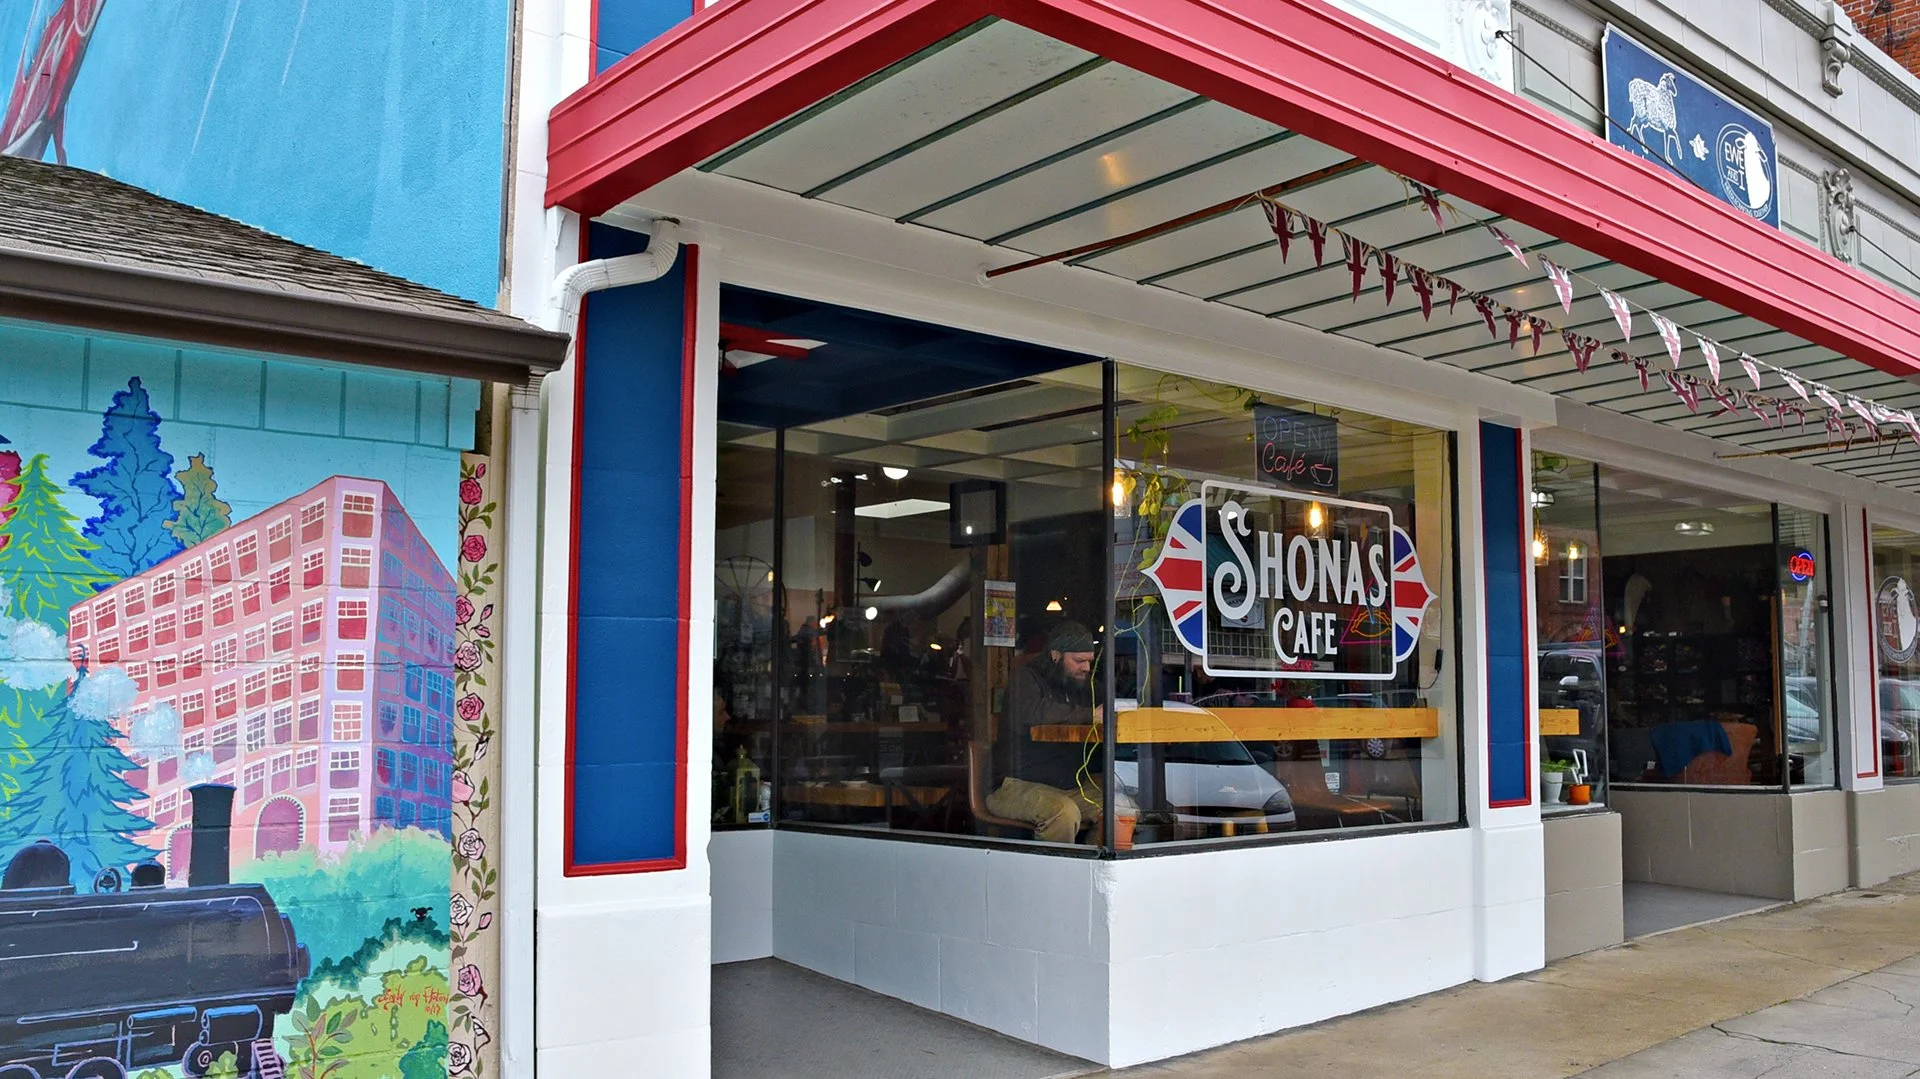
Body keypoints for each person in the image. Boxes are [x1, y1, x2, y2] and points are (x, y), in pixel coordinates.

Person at [988, 621, 1132, 843]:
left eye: (1089, 661)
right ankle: (1053, 877)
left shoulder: (1085, 686)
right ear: (1055, 655)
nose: (1086, 668)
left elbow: (1112, 707)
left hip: (1068, 787)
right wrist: (1090, 715)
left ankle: (1092, 868)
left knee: (1122, 810)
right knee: (1063, 813)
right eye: (1079, 661)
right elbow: (1035, 712)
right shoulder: (1024, 677)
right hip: (1015, 785)